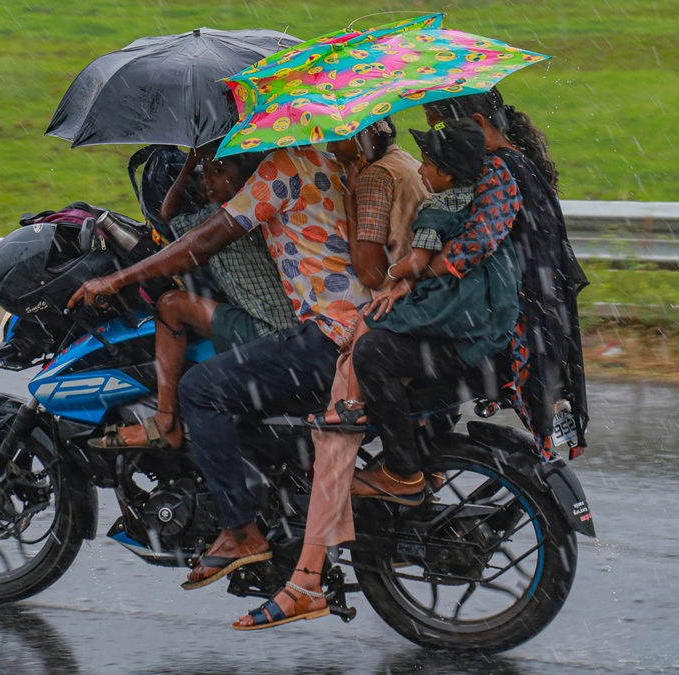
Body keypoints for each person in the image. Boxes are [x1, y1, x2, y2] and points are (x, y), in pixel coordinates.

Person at [67, 144, 371, 618]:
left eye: (218, 164)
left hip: (327, 335)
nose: (210, 174)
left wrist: (119, 280)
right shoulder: (320, 157)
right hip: (358, 325)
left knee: (200, 390)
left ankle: (241, 531)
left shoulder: (279, 171)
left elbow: (203, 242)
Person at [234, 120, 429, 630]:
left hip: (388, 312)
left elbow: (367, 269)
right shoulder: (403, 162)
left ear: (363, 137)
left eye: (338, 136)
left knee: (334, 439)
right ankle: (403, 528)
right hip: (424, 310)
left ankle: (305, 582)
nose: (327, 143)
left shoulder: (371, 180)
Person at [348, 119, 524, 500]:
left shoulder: (436, 207)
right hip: (492, 316)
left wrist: (395, 273)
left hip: (458, 316)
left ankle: (401, 469)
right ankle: (430, 453)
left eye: (426, 163)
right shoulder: (488, 197)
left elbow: (413, 262)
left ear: (444, 174)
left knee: (371, 348)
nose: (421, 170)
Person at [93, 142, 298, 449]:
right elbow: (169, 214)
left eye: (217, 172)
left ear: (246, 178)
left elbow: (184, 237)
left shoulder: (237, 217)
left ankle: (165, 419)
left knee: (170, 306)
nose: (207, 180)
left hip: (269, 329)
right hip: (272, 323)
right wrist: (192, 165)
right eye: (205, 174)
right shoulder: (233, 211)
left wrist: (117, 280)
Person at [422, 89, 590, 462]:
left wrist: (419, 270)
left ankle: (407, 469)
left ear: (478, 124)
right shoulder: (521, 162)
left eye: (444, 130)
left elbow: (477, 242)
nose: (445, 143)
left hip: (521, 319)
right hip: (542, 309)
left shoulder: (499, 168)